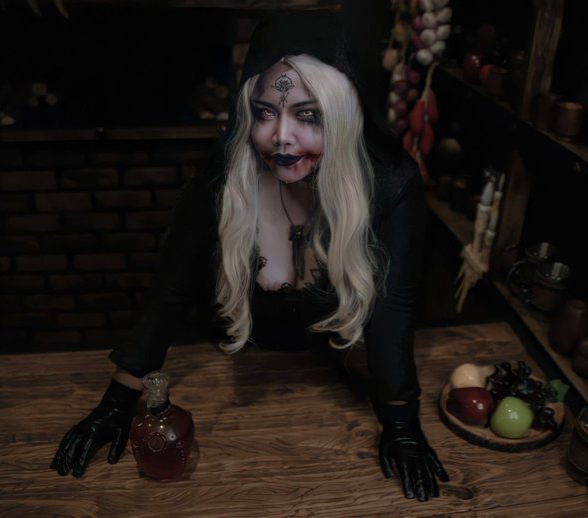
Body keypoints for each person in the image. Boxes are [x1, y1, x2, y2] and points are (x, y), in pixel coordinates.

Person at [51, 10, 449, 502]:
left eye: (308, 115)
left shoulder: (390, 183)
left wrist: (400, 422)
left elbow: (394, 307)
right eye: (265, 112)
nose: (280, 136)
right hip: (232, 367)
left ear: (345, 115)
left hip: (330, 379)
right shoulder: (223, 175)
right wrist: (118, 400)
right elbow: (170, 288)